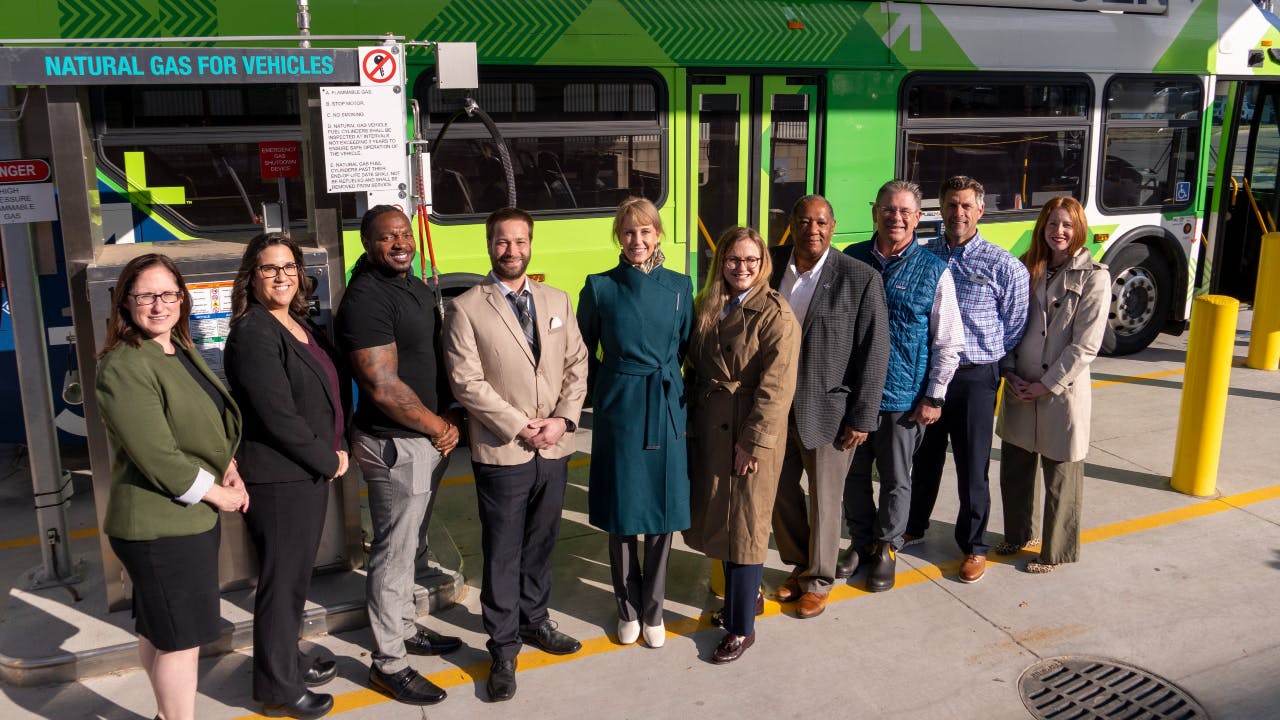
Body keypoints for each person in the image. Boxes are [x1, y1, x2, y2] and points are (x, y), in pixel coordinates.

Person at [443, 208, 589, 701]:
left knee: (542, 543)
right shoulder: (465, 307)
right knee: (502, 552)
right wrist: (520, 424)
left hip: (554, 446)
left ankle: (535, 620)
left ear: (531, 244)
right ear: (489, 245)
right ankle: (502, 648)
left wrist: (564, 420)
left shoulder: (556, 299)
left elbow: (577, 363)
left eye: (520, 242)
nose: (512, 251)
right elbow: (467, 382)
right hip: (504, 449)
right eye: (503, 242)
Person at [95, 253, 247, 720]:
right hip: (159, 527)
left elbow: (199, 423)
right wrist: (219, 494)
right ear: (125, 303)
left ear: (182, 297)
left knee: (159, 630)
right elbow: (157, 453)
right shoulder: (124, 365)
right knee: (181, 640)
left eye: (167, 294)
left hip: (182, 519)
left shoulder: (175, 349)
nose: (158, 305)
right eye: (145, 296)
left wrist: (229, 464)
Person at [335, 206, 463, 707]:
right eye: (387, 237)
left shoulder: (410, 284)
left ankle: (405, 628)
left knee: (411, 543)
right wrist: (441, 427)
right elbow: (382, 386)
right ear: (368, 244)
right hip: (397, 441)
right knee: (392, 553)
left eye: (404, 233)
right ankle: (389, 663)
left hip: (423, 439)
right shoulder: (366, 299)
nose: (399, 242)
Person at [224, 233, 349, 719]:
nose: (281, 276)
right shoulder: (254, 331)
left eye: (288, 267)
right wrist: (328, 458)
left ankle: (287, 660)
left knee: (294, 581)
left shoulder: (294, 323)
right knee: (281, 585)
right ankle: (277, 686)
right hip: (280, 478)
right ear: (251, 277)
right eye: (269, 268)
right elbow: (277, 416)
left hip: (304, 475)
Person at [578, 196, 693, 648]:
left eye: (645, 231)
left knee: (662, 511)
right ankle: (626, 605)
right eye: (628, 231)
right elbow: (582, 350)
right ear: (617, 237)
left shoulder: (681, 286)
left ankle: (654, 608)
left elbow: (684, 348)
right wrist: (602, 395)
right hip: (621, 408)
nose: (637, 239)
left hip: (664, 404)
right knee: (623, 510)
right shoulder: (600, 286)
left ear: (658, 234)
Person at [768, 194, 890, 619]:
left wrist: (862, 415)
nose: (812, 229)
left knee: (824, 499)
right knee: (778, 493)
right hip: (773, 411)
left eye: (821, 222)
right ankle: (799, 566)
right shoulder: (769, 265)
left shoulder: (859, 278)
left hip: (829, 412)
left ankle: (820, 581)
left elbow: (874, 353)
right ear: (792, 225)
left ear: (833, 227)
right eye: (804, 221)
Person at [906, 176, 1031, 579]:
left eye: (965, 206)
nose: (957, 213)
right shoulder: (924, 256)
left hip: (976, 377)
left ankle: (975, 546)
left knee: (972, 464)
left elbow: (1014, 326)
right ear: (939, 210)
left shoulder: (1004, 265)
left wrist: (986, 362)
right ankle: (912, 526)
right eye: (950, 205)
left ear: (980, 211)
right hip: (929, 376)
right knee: (922, 459)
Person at [841, 180, 965, 591]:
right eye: (889, 210)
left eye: (905, 212)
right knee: (853, 476)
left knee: (896, 479)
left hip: (903, 397)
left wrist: (934, 396)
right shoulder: (852, 259)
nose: (896, 218)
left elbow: (947, 340)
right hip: (853, 395)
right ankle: (860, 542)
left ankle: (886, 547)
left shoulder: (933, 270)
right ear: (875, 211)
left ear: (917, 218)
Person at [684, 226, 799, 663]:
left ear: (763, 263)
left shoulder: (776, 314)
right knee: (725, 523)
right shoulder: (709, 306)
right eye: (734, 259)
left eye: (752, 260)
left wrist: (753, 443)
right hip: (714, 429)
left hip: (749, 436)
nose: (743, 268)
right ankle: (746, 600)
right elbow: (696, 368)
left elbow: (776, 390)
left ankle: (740, 629)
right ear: (722, 263)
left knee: (747, 527)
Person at [997, 196, 1109, 574]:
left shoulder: (1095, 276)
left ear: (1078, 229)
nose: (1058, 232)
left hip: (1061, 392)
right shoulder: (1027, 268)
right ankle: (1017, 534)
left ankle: (1055, 552)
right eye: (1051, 224)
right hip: (1019, 385)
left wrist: (1046, 385)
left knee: (1061, 476)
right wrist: (1009, 370)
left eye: (1066, 225)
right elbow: (1008, 324)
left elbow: (1085, 346)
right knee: (1014, 467)